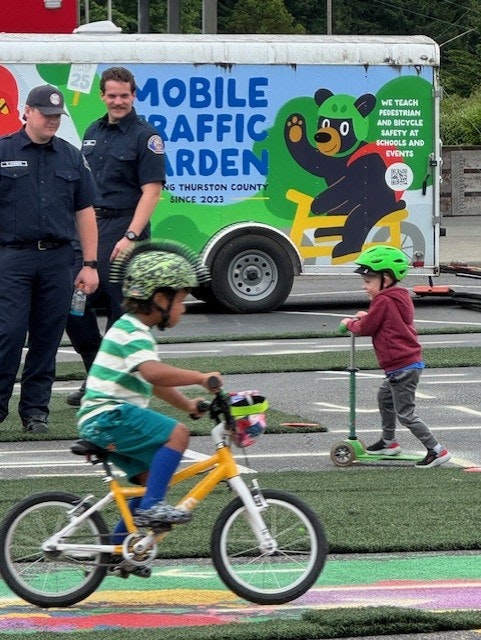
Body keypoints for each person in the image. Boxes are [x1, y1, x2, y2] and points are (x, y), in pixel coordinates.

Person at [77, 240, 221, 573]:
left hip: (107, 420)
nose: (183, 308)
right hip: (108, 416)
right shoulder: (132, 330)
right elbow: (153, 372)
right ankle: (154, 507)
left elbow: (153, 384)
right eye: (182, 300)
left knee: (150, 478)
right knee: (178, 435)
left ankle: (114, 549)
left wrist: (187, 404)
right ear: (159, 299)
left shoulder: (132, 331)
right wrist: (201, 377)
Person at [0, 84, 99, 434]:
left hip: (58, 260)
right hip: (13, 259)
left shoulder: (71, 156)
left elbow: (85, 211)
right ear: (28, 111)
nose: (53, 121)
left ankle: (35, 412)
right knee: (9, 335)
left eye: (58, 116)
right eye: (46, 114)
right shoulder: (3, 151)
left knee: (47, 338)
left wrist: (90, 264)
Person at [66, 66, 166, 407]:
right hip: (92, 228)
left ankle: (115, 387)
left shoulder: (145, 136)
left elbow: (151, 192)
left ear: (133, 95)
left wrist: (132, 235)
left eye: (124, 95)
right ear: (102, 96)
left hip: (127, 230)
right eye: (112, 95)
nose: (118, 101)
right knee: (74, 305)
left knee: (120, 312)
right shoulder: (93, 131)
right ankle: (94, 374)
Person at [340, 245, 451, 469]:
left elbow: (368, 327)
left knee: (406, 414)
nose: (365, 286)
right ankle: (389, 443)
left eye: (369, 280)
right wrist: (367, 315)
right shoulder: (397, 296)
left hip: (401, 366)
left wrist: (350, 323)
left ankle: (436, 450)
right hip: (406, 364)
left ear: (386, 278)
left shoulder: (383, 300)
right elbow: (384, 319)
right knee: (384, 397)